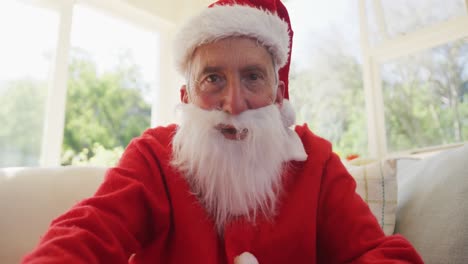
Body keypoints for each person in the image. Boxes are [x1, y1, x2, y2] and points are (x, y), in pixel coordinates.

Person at [22, 0, 424, 263]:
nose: (233, 104)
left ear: (279, 93)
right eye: (213, 78)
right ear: (186, 95)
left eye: (252, 77)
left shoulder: (315, 160)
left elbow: (375, 252)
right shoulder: (154, 155)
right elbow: (89, 232)